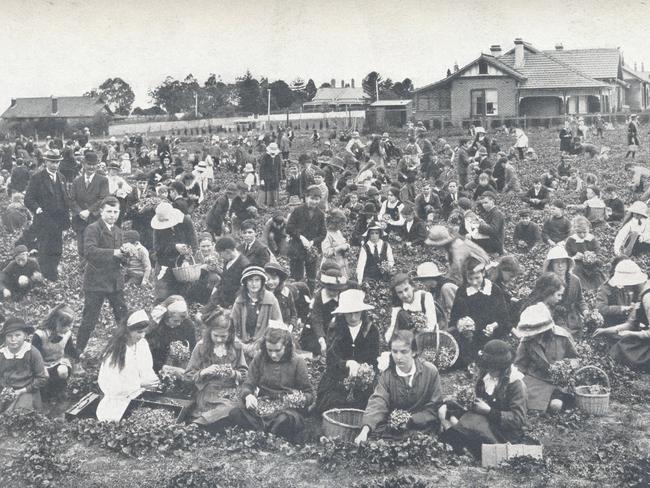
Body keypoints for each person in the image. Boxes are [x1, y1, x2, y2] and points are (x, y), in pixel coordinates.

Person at [440, 339, 527, 458]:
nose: (489, 371)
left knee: (466, 425)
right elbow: (478, 399)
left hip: (502, 431)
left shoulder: (515, 384)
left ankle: (460, 442)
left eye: (493, 368)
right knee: (446, 411)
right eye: (488, 367)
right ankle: (459, 440)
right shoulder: (485, 376)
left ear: (502, 367)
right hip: (483, 420)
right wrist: (462, 401)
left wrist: (489, 411)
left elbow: (518, 419)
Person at [354, 330, 443, 444]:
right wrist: (365, 430)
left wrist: (411, 420)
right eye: (394, 352)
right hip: (394, 427)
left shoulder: (430, 371)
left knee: (419, 442)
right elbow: (378, 402)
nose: (398, 357)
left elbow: (435, 405)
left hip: (422, 426)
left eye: (404, 352)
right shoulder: (387, 375)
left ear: (414, 352)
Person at [230, 325, 313, 441]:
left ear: (286, 346)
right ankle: (268, 431)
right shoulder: (260, 358)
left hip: (286, 408)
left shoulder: (298, 362)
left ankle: (262, 430)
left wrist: (299, 398)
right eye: (270, 350)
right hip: (264, 403)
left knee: (284, 420)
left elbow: (309, 394)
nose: (273, 355)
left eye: (277, 350)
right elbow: (249, 383)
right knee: (236, 413)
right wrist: (248, 395)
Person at [77, 197, 128, 352]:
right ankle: (76, 353)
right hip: (96, 281)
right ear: (101, 212)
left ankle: (124, 350)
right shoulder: (93, 228)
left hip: (114, 281)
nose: (113, 215)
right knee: (89, 320)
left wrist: (127, 254)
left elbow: (120, 257)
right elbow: (89, 252)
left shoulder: (118, 231)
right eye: (109, 211)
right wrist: (115, 253)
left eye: (115, 212)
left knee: (123, 317)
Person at [315, 289, 379, 413]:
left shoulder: (371, 330)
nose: (353, 317)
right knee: (333, 403)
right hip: (339, 377)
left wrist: (362, 370)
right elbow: (331, 360)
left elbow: (373, 359)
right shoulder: (335, 328)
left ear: (362, 311)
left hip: (363, 379)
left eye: (356, 312)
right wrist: (347, 364)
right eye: (349, 313)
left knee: (367, 404)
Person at [186, 307, 248, 429]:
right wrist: (204, 372)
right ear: (209, 332)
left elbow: (245, 374)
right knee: (229, 409)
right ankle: (200, 423)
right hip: (209, 392)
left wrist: (233, 374)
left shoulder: (236, 347)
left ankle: (204, 421)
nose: (219, 340)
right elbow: (188, 375)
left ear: (230, 334)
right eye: (216, 335)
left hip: (230, 392)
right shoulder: (201, 347)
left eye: (223, 336)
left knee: (237, 406)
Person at [96, 310, 160, 422]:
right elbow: (112, 387)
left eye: (145, 332)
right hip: (118, 403)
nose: (142, 336)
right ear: (127, 331)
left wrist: (152, 381)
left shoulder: (142, 344)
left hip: (140, 397)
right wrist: (139, 384)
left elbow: (147, 369)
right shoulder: (115, 352)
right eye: (139, 332)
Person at [514, 302, 578, 412]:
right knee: (524, 402)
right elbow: (519, 365)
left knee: (556, 405)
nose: (533, 335)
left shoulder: (562, 336)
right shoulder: (527, 341)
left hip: (560, 382)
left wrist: (565, 366)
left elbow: (576, 359)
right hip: (537, 379)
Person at [449, 257, 511, 366]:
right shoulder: (462, 291)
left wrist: (493, 326)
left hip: (490, 333)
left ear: (483, 273)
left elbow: (503, 317)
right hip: (469, 335)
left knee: (493, 355)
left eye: (477, 278)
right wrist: (462, 324)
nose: (474, 282)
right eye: (470, 278)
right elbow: (455, 316)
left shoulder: (494, 289)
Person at [23, 149, 70, 281]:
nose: (55, 165)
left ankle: (53, 272)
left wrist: (67, 220)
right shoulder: (37, 177)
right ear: (46, 162)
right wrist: (37, 209)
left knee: (57, 248)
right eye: (52, 162)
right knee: (44, 248)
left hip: (58, 221)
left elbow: (65, 199)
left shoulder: (61, 178)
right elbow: (28, 199)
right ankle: (44, 275)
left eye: (57, 162)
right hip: (44, 221)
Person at [593, 265, 650, 372]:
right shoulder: (641, 293)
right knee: (622, 346)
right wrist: (605, 331)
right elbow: (631, 324)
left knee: (624, 350)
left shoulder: (647, 297)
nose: (625, 287)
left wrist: (632, 334)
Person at [230, 266, 282, 359]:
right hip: (242, 344)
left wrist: (260, 343)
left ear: (262, 282)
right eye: (250, 280)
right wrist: (241, 345)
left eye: (257, 280)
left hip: (264, 344)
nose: (254, 284)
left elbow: (277, 326)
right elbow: (230, 326)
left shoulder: (271, 299)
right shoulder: (240, 301)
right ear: (245, 282)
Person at [151, 201, 198, 302]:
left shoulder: (185, 221)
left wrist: (187, 258)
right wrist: (174, 247)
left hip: (183, 265)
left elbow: (194, 243)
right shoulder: (157, 227)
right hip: (164, 263)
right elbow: (157, 247)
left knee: (182, 294)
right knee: (162, 296)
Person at [0, 317, 48, 414]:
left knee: (18, 414)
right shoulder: (2, 354)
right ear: (5, 337)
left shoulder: (32, 352)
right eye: (9, 336)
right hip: (7, 391)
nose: (13, 339)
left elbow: (41, 378)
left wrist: (23, 390)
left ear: (25, 335)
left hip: (27, 391)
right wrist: (5, 388)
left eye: (18, 335)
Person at [300, 264, 348, 358]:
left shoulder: (342, 296)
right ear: (325, 286)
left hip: (334, 328)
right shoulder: (319, 298)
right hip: (316, 330)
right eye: (331, 290)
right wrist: (321, 339)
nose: (333, 293)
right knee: (314, 348)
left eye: (336, 290)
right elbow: (316, 319)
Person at [31, 305, 79, 399]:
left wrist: (78, 355)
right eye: (65, 326)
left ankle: (59, 391)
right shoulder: (40, 335)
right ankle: (44, 395)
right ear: (55, 322)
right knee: (44, 376)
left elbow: (69, 349)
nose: (68, 328)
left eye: (70, 325)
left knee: (62, 371)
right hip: (42, 363)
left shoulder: (67, 334)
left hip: (58, 361)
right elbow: (34, 355)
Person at [69, 151, 109, 259]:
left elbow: (103, 198)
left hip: (95, 219)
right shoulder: (77, 181)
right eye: (89, 164)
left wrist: (89, 211)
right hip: (80, 220)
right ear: (83, 164)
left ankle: (95, 270)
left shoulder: (103, 181)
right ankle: (83, 271)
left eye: (94, 165)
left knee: (95, 245)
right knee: (81, 248)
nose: (91, 167)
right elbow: (71, 200)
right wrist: (80, 211)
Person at [286, 185, 327, 285]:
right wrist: (300, 237)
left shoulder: (320, 214)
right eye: (312, 198)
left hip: (312, 249)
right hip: (297, 247)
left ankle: (310, 296)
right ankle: (297, 296)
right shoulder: (298, 211)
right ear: (306, 198)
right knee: (297, 276)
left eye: (317, 199)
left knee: (311, 277)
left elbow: (323, 233)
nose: (314, 201)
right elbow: (289, 228)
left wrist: (313, 241)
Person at [543, 246, 587, 337]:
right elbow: (542, 303)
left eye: (563, 262)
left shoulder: (575, 280)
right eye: (556, 263)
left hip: (572, 317)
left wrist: (585, 311)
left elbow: (580, 299)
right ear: (551, 265)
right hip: (554, 317)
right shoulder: (546, 281)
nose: (560, 266)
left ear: (567, 264)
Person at [424, 225, 490, 285]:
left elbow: (457, 273)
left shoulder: (458, 248)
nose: (435, 247)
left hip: (480, 275)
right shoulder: (451, 247)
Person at [147, 296, 197, 372]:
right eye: (175, 321)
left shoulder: (187, 325)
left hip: (183, 367)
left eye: (181, 321)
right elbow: (149, 355)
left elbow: (193, 348)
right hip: (158, 367)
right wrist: (166, 368)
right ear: (166, 317)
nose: (179, 323)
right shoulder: (157, 328)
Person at [387, 273, 440, 342]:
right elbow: (392, 327)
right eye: (400, 292)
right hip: (410, 339)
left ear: (412, 287)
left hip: (429, 336)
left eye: (406, 289)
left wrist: (420, 329)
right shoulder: (399, 307)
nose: (404, 295)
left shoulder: (424, 297)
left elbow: (432, 324)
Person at [596, 258, 644, 327]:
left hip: (628, 322)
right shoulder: (605, 288)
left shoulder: (627, 284)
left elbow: (637, 295)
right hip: (612, 325)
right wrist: (621, 308)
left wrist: (634, 305)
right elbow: (601, 309)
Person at [564, 216, 605, 291]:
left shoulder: (592, 239)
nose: (582, 235)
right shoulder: (571, 241)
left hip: (592, 265)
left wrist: (592, 256)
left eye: (584, 232)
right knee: (576, 272)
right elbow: (566, 257)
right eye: (579, 233)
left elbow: (599, 254)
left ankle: (595, 288)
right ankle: (581, 289)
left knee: (597, 275)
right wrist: (574, 257)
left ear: (589, 229)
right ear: (574, 231)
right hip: (577, 265)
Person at [210, 236, 250, 308]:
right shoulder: (228, 261)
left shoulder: (244, 264)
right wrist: (215, 290)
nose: (220, 256)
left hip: (232, 303)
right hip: (221, 298)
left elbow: (243, 289)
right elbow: (223, 279)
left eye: (220, 254)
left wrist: (233, 305)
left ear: (228, 251)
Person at [264, 262, 298, 329]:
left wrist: (291, 325)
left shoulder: (286, 293)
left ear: (280, 279)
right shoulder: (261, 293)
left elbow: (293, 314)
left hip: (283, 328)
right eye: (267, 279)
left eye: (274, 279)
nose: (270, 282)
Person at [321, 209, 350, 278]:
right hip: (331, 265)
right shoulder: (326, 234)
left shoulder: (338, 232)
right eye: (340, 223)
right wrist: (339, 248)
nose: (342, 225)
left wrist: (347, 246)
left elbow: (343, 242)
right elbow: (326, 252)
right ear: (334, 223)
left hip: (341, 263)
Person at [259, 143, 283, 207]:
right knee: (268, 189)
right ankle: (268, 203)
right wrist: (262, 179)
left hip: (275, 177)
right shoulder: (265, 157)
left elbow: (279, 167)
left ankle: (275, 202)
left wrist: (280, 177)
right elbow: (262, 168)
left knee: (275, 189)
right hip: (267, 176)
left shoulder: (278, 157)